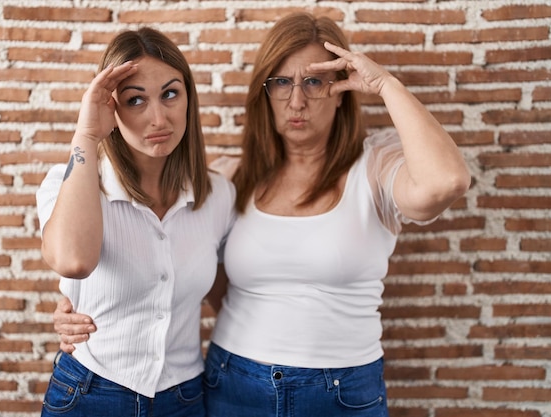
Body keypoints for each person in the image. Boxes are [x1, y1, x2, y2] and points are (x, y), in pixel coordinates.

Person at [53, 12, 471, 417]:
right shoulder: (231, 178)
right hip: (232, 381)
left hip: (341, 390)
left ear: (342, 88)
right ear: (264, 93)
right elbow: (177, 260)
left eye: (314, 82)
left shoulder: (376, 166)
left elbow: (446, 182)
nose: (297, 100)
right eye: (282, 83)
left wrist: (385, 84)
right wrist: (82, 302)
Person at [36, 27, 235, 417]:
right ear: (111, 107)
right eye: (135, 100)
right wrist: (87, 133)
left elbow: (230, 299)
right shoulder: (71, 183)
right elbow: (74, 261)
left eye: (170, 94)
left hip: (185, 398)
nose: (157, 117)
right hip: (92, 393)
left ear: (189, 97)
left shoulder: (218, 195)